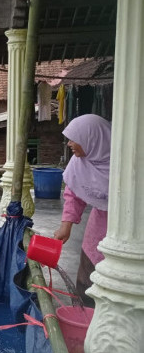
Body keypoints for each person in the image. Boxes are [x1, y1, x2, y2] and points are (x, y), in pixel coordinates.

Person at [54, 114, 111, 307]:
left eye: (74, 139)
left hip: (125, 228)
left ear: (92, 139)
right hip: (98, 227)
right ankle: (83, 315)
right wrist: (66, 226)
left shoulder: (124, 164)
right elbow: (73, 195)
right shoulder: (79, 162)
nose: (69, 144)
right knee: (87, 276)